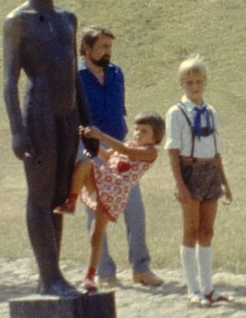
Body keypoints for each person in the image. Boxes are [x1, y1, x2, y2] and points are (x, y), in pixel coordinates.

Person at [3, 0, 91, 297]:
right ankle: (49, 276)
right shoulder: (18, 21)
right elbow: (9, 81)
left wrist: (87, 124)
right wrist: (17, 130)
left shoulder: (68, 19)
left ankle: (52, 275)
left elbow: (75, 75)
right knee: (40, 193)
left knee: (59, 195)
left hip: (67, 114)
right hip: (38, 111)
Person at [78, 26, 163, 288]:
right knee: (96, 213)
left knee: (134, 208)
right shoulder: (75, 77)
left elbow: (119, 110)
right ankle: (105, 272)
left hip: (122, 146)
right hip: (91, 147)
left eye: (110, 47)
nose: (108, 52)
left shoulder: (116, 73)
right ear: (87, 49)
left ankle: (141, 268)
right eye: (103, 47)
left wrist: (127, 143)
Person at [55, 115, 165, 292]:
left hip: (115, 193)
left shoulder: (150, 152)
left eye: (144, 131)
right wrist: (88, 140)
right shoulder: (129, 144)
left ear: (156, 136)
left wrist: (100, 135)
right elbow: (106, 155)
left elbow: (125, 151)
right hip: (103, 180)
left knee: (97, 234)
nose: (138, 133)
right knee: (84, 164)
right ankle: (71, 202)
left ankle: (91, 274)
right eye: (136, 129)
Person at [165, 57, 233, 305]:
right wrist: (180, 184)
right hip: (189, 172)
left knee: (207, 231)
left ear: (205, 82)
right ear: (181, 83)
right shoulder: (177, 113)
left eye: (199, 81)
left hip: (211, 172)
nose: (194, 86)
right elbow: (173, 151)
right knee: (191, 231)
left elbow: (216, 151)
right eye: (189, 82)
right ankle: (192, 290)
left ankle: (208, 288)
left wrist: (225, 182)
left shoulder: (211, 112)